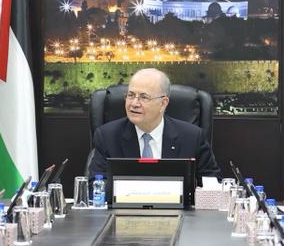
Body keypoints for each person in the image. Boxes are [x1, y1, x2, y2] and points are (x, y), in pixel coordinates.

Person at [88, 68, 221, 181]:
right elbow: (95, 186)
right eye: (131, 95)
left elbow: (212, 184)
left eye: (144, 97)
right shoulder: (107, 136)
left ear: (163, 103)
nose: (134, 103)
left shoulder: (192, 137)